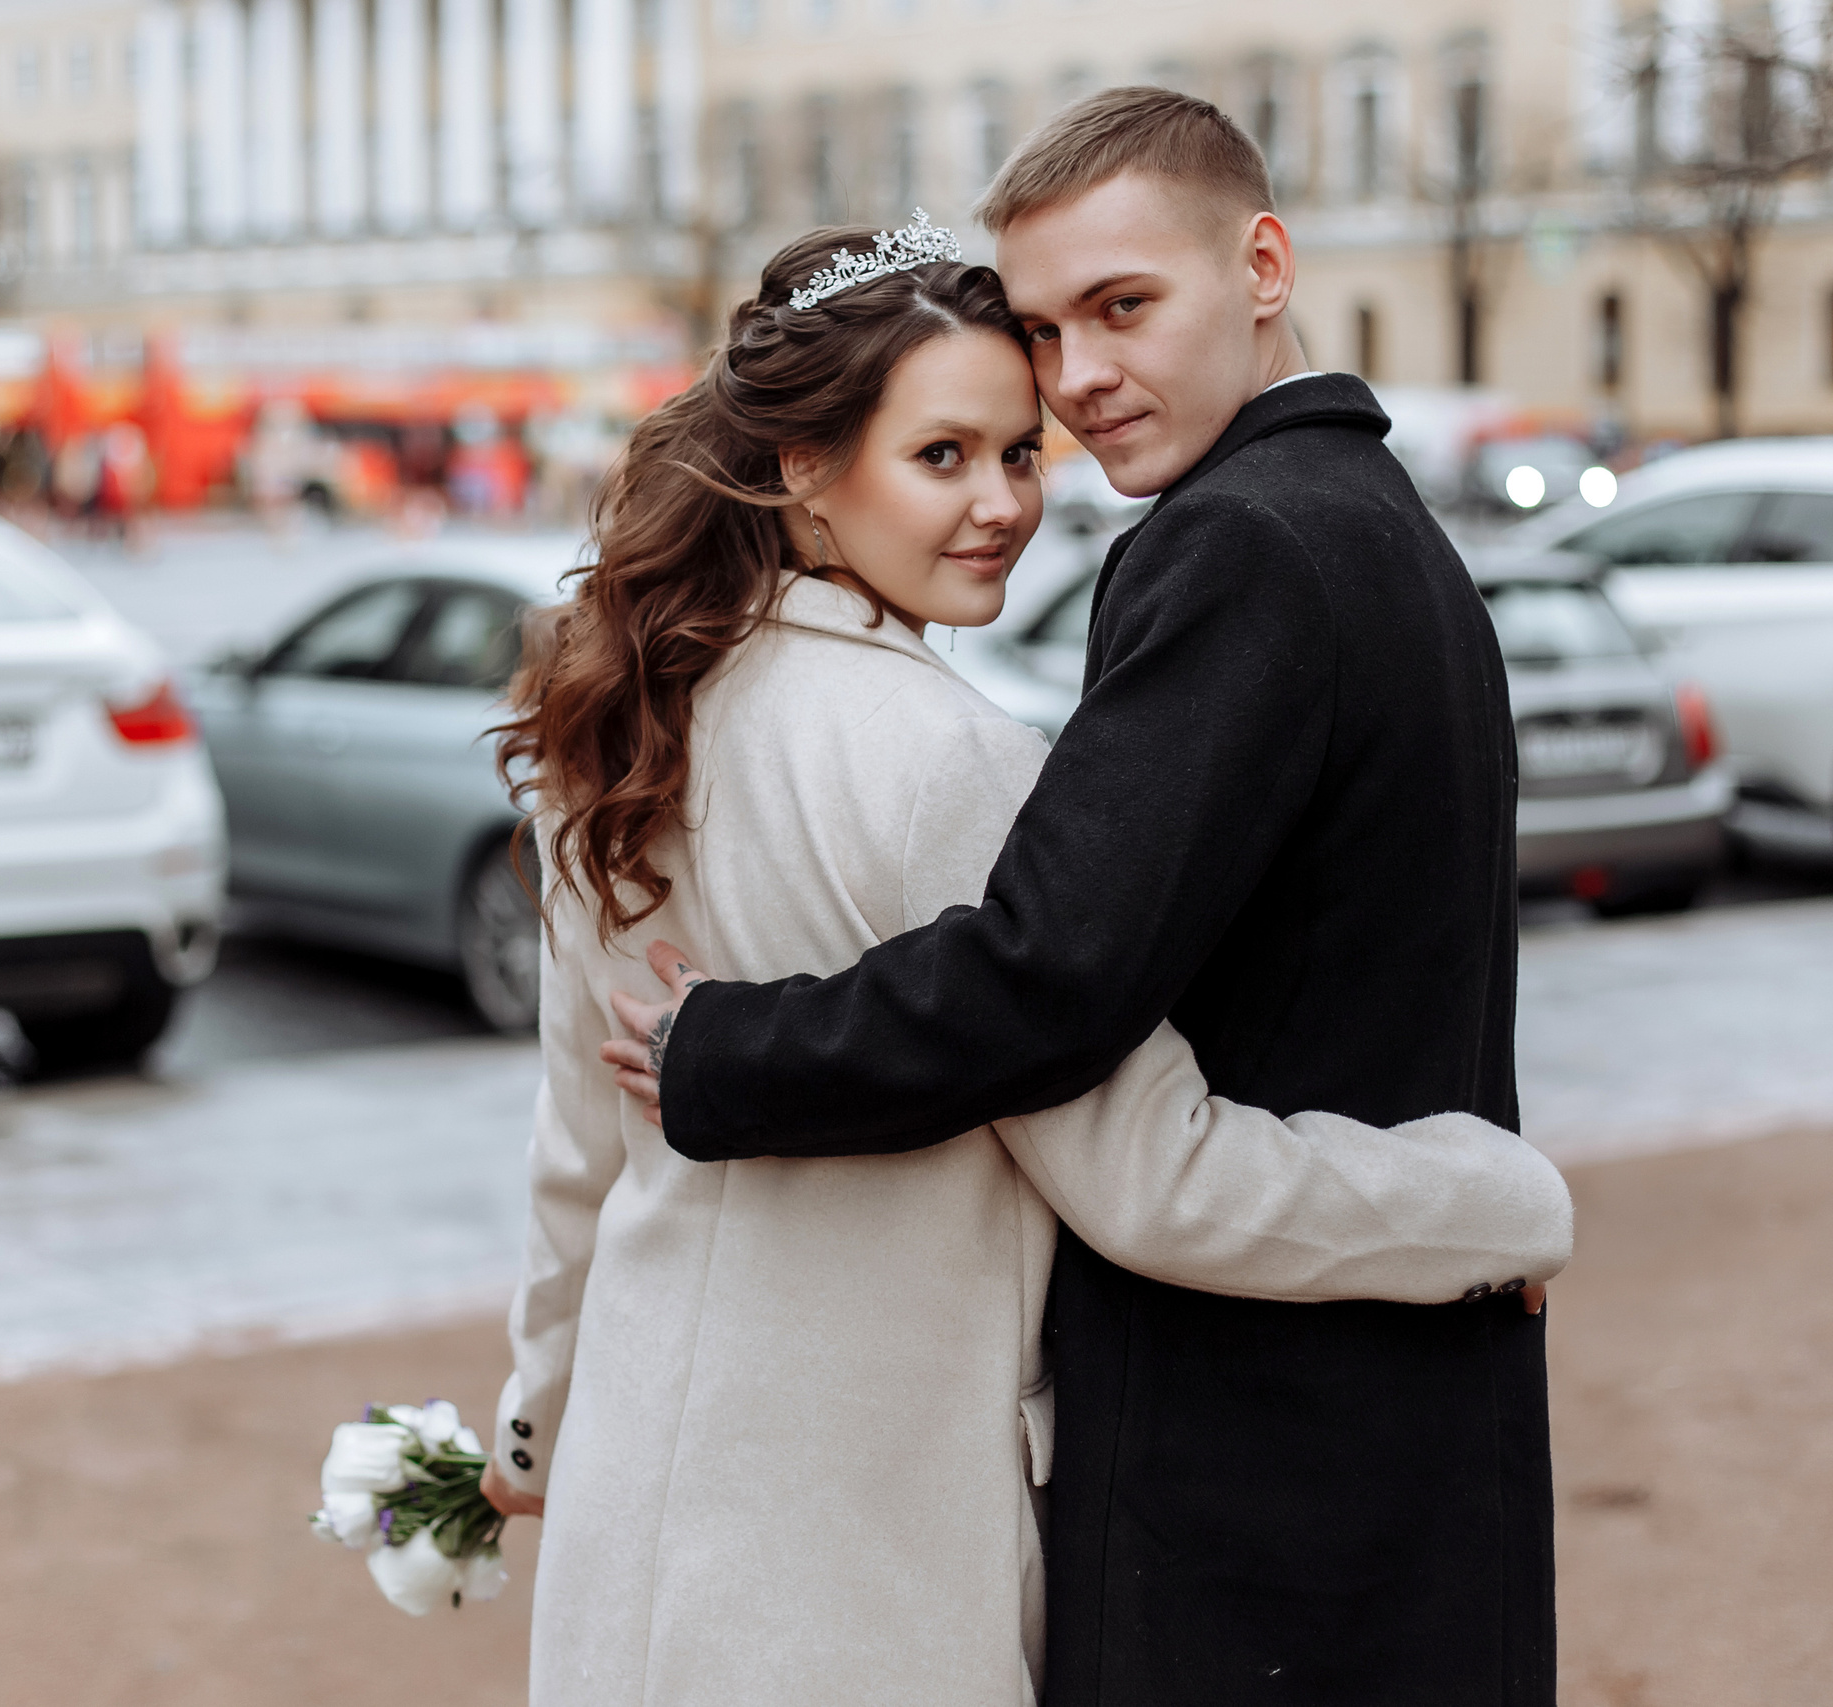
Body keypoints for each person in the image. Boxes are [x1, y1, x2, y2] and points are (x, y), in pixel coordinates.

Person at [479, 213, 1570, 1707]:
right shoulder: (953, 765)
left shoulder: (614, 726)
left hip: (632, 1514)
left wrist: (531, 1428)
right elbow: (1156, 1183)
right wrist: (1489, 1204)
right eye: (942, 457)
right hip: (853, 1555)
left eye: (1019, 454)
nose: (1000, 505)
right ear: (804, 467)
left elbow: (577, 1157)